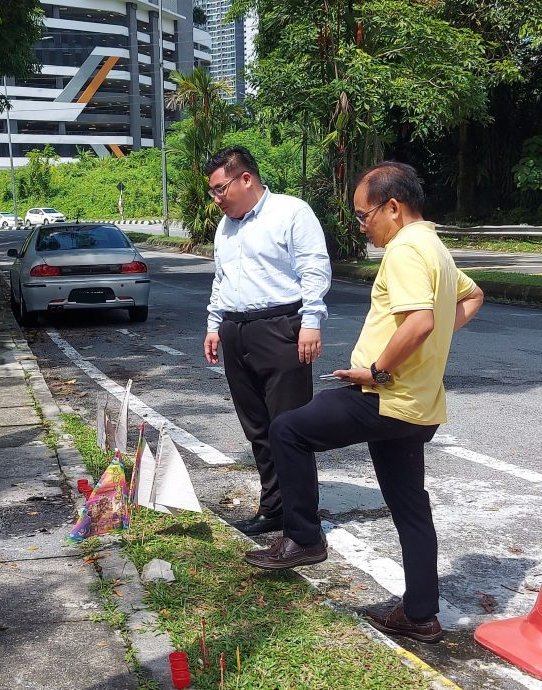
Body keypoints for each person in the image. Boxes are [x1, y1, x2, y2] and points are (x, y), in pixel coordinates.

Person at [243, 161, 485, 643]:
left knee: (287, 430)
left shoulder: (405, 250)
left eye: (364, 214)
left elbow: (418, 322)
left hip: (384, 395)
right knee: (410, 507)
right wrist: (428, 347)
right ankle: (420, 614)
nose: (362, 224)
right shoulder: (435, 246)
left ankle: (305, 538)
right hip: (417, 407)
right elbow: (472, 296)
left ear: (393, 208)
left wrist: (379, 369)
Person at [202, 146, 331, 536]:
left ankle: (302, 520)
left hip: (281, 329)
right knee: (257, 428)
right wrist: (214, 323)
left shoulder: (291, 212)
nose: (216, 199)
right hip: (236, 330)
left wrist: (311, 322)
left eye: (220, 189)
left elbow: (313, 268)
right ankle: (274, 507)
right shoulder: (226, 227)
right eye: (212, 192)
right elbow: (221, 278)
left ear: (246, 179)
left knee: (289, 426)